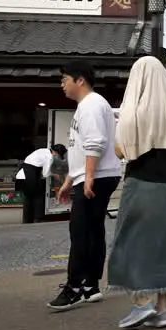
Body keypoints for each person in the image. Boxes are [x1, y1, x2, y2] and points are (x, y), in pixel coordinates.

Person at [107, 56, 166, 330]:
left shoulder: (137, 108)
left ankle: (141, 303)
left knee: (133, 240)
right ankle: (163, 309)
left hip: (143, 181)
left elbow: (123, 148)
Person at [49, 61, 122, 311]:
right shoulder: (89, 105)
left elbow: (95, 143)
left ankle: (75, 287)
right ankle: (90, 286)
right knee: (91, 230)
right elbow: (80, 149)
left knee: (80, 231)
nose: (62, 84)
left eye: (64, 79)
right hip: (94, 174)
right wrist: (71, 180)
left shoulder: (91, 104)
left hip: (97, 175)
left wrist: (88, 177)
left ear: (80, 80)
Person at [16, 144, 67, 224]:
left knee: (28, 199)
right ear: (56, 152)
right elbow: (46, 174)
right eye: (58, 155)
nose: (57, 157)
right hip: (27, 176)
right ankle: (38, 218)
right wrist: (55, 175)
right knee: (38, 196)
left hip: (21, 176)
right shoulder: (49, 157)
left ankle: (27, 220)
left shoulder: (44, 150)